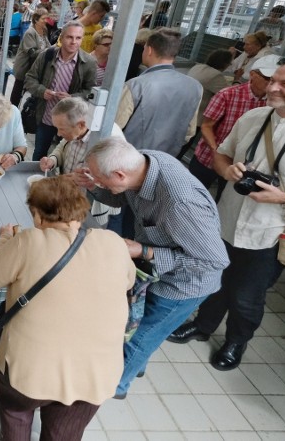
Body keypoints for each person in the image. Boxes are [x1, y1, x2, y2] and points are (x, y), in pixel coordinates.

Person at [168, 58, 285, 371]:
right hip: (229, 218)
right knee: (216, 277)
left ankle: (237, 341)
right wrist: (229, 172)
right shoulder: (253, 117)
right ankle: (203, 325)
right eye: (274, 79)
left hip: (274, 232)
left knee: (247, 294)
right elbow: (221, 156)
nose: (273, 88)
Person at [0, 176, 135, 441]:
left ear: (38, 217)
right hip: (93, 375)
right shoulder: (114, 243)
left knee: (16, 414)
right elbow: (128, 280)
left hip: (28, 372)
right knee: (63, 435)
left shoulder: (29, 240)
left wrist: (3, 239)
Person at [80, 138, 229, 398]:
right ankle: (134, 367)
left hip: (183, 283)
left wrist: (144, 251)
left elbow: (213, 262)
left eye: (101, 179)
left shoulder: (180, 203)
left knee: (141, 335)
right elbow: (118, 195)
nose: (100, 183)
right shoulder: (142, 162)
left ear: (119, 174)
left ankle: (115, 386)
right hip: (154, 267)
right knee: (131, 325)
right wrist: (94, 186)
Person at [188, 56, 273, 190]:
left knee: (224, 199)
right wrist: (216, 151)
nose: (272, 84)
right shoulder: (227, 95)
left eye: (275, 80)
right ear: (252, 75)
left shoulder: (272, 103)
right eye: (268, 79)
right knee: (191, 193)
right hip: (208, 158)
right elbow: (206, 126)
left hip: (240, 166)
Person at [115, 28, 202, 157]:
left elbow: (115, 127)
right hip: (166, 159)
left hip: (130, 158)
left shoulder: (136, 85)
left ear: (149, 50)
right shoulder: (195, 87)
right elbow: (189, 133)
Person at [39, 97, 124, 225]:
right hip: (69, 200)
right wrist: (52, 160)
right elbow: (62, 146)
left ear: (81, 124)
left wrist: (80, 179)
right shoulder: (76, 130)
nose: (58, 134)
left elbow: (113, 184)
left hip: (91, 208)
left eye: (61, 129)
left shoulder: (108, 139)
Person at [23, 21, 97, 161]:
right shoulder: (46, 56)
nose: (73, 42)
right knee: (39, 154)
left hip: (71, 121)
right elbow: (29, 79)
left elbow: (90, 92)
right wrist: (42, 91)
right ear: (61, 38)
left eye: (78, 38)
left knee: (67, 155)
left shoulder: (89, 62)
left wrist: (72, 98)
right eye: (69, 37)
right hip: (46, 115)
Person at [10, 11, 50, 107]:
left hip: (36, 66)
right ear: (36, 20)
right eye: (43, 19)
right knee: (18, 89)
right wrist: (48, 52)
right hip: (25, 66)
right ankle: (13, 110)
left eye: (46, 18)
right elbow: (32, 52)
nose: (46, 21)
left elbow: (47, 45)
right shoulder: (30, 32)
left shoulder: (44, 31)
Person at [187, 49, 232, 117]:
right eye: (229, 63)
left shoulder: (197, 67)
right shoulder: (216, 75)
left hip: (187, 107)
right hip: (198, 116)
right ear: (225, 64)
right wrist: (236, 80)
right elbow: (229, 95)